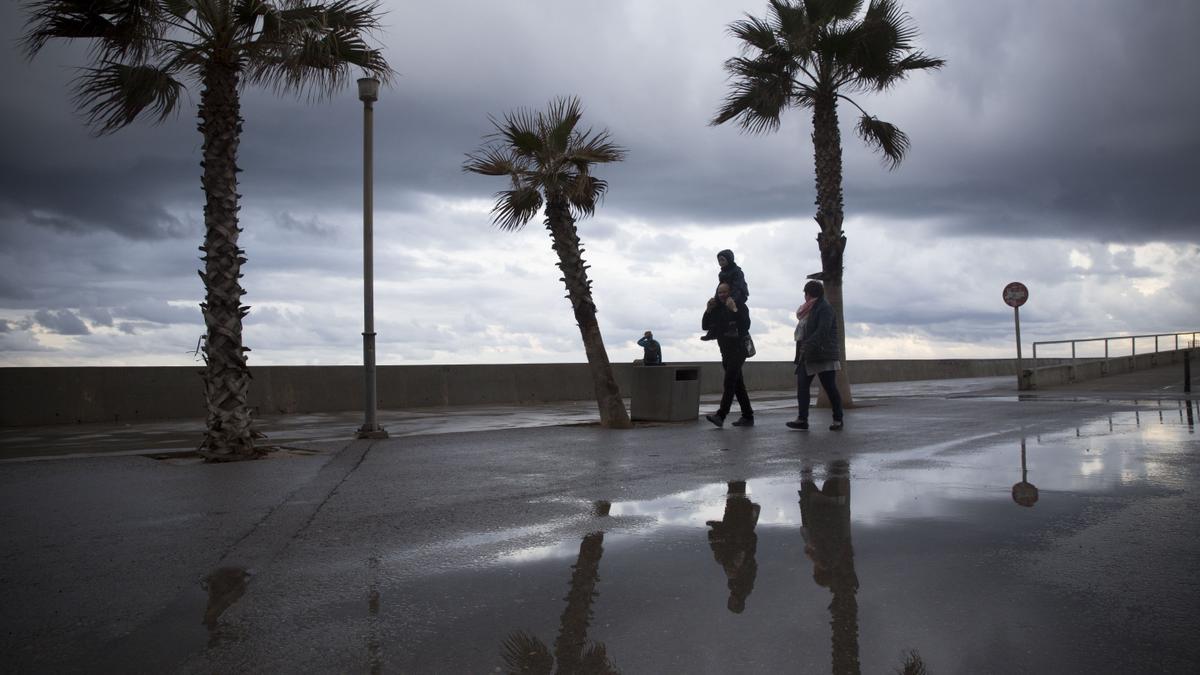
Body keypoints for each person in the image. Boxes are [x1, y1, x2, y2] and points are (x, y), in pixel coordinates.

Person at [789, 279, 844, 430]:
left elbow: (823, 331)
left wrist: (807, 345)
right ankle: (802, 419)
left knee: (830, 387)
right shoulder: (807, 309)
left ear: (808, 294)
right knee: (802, 387)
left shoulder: (824, 308)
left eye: (805, 294)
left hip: (823, 354)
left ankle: (838, 419)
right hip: (807, 355)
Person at [702, 282, 754, 427]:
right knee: (738, 385)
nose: (722, 295)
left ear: (731, 292)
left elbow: (745, 325)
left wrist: (734, 310)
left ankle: (721, 415)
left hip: (739, 349)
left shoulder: (740, 305)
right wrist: (708, 310)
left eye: (725, 292)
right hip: (725, 351)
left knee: (729, 381)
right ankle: (748, 416)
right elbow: (705, 326)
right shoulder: (717, 308)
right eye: (719, 292)